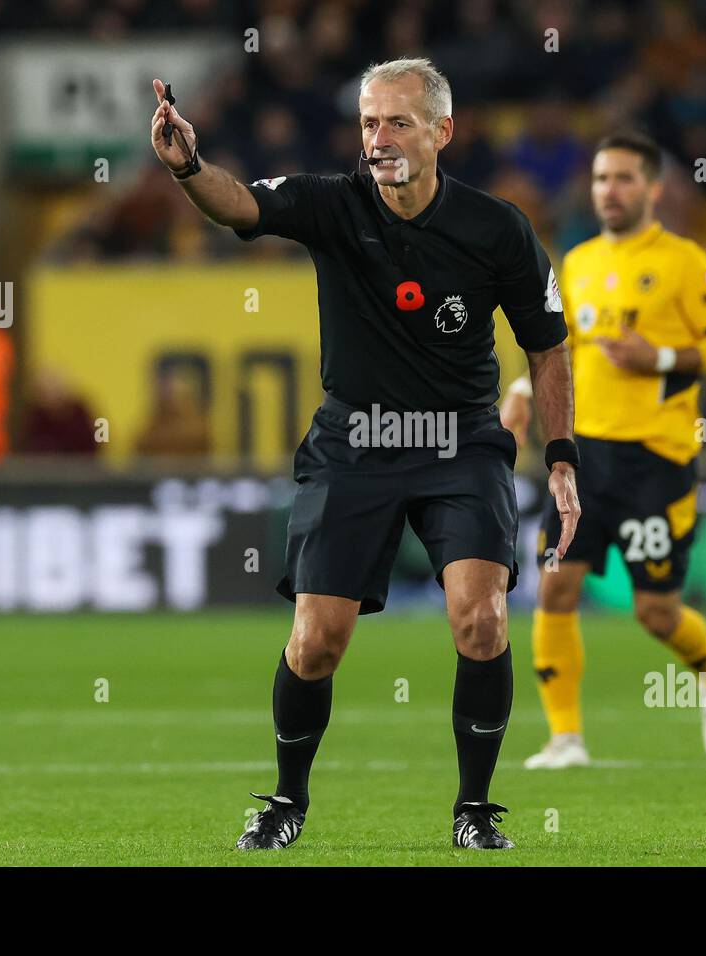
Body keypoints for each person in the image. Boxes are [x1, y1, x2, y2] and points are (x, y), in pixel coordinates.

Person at [150, 58, 580, 850]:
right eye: (368, 123)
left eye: (397, 122)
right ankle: (285, 802)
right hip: (355, 441)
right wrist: (186, 166)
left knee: (481, 621)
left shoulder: (498, 228)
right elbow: (238, 204)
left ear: (442, 131)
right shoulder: (330, 205)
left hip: (459, 441)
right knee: (317, 641)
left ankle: (474, 812)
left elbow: (547, 347)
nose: (378, 139)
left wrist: (560, 455)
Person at [501, 132, 706, 769]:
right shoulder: (577, 261)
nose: (610, 190)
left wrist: (657, 357)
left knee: (657, 612)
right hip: (581, 459)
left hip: (655, 461)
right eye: (602, 178)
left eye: (624, 179)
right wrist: (526, 387)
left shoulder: (683, 260)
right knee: (555, 589)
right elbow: (564, 349)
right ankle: (565, 738)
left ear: (653, 188)